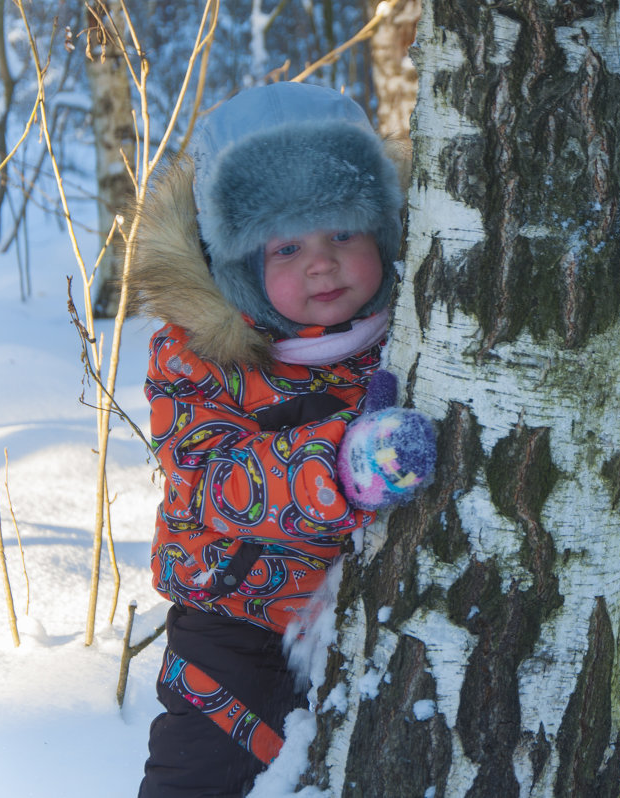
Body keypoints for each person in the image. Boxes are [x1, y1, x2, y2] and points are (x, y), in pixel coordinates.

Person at [129, 82, 434, 798]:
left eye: (343, 234)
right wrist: (337, 466)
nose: (321, 264)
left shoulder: (413, 336)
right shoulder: (199, 357)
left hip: (362, 621)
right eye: (287, 246)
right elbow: (209, 479)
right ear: (238, 265)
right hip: (232, 627)